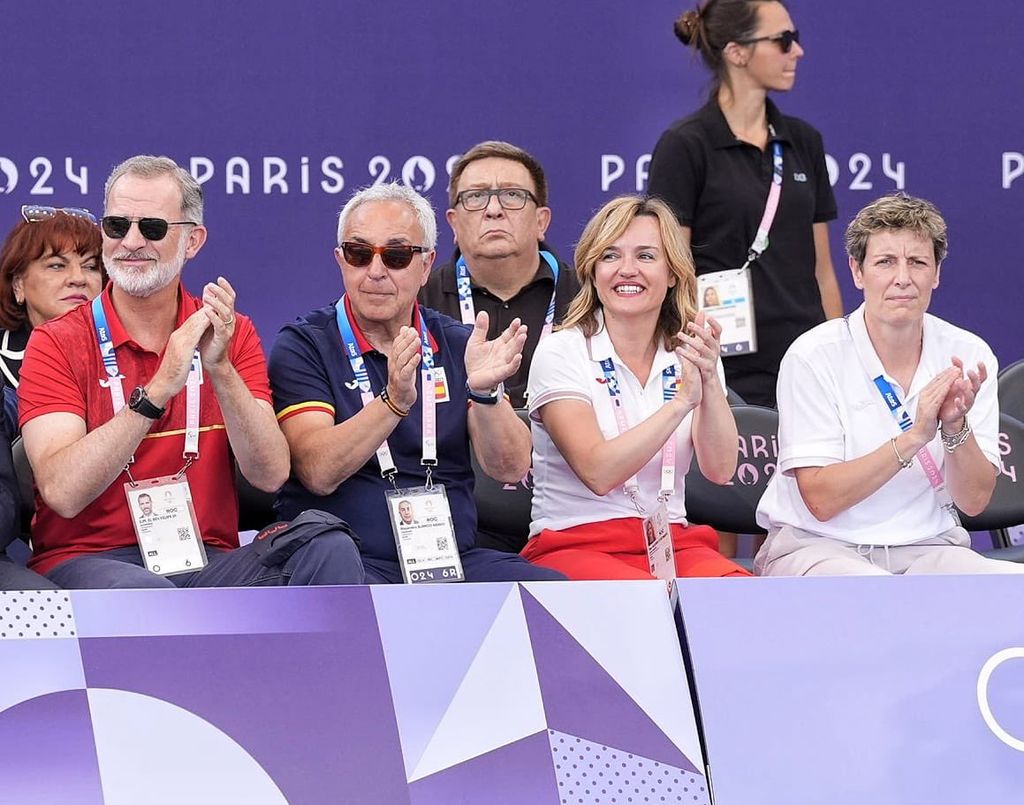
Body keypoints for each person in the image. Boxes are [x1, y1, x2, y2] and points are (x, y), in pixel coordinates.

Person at [18, 155, 364, 588]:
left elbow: (270, 473)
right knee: (148, 596)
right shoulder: (57, 340)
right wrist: (159, 388)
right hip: (92, 559)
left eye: (153, 228)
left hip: (205, 558)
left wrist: (220, 369)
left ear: (193, 241)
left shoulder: (229, 331)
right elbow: (62, 494)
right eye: (116, 226)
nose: (130, 241)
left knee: (324, 546)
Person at [269, 182, 563, 584]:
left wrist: (485, 393)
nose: (375, 271)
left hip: (446, 559)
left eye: (396, 255)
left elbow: (511, 468)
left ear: (426, 265)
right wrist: (392, 403)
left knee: (548, 592)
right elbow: (318, 472)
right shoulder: (306, 344)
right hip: (346, 565)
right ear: (341, 260)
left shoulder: (458, 343)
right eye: (359, 254)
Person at [755, 193, 1024, 576]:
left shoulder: (967, 353)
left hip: (928, 548)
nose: (903, 278)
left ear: (937, 273)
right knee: (876, 598)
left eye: (917, 262)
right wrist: (914, 436)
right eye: (885, 262)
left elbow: (975, 501)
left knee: (1012, 589)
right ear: (857, 271)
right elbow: (821, 501)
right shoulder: (813, 355)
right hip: (819, 546)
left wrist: (954, 428)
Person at [521, 195, 750, 580]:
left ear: (673, 272)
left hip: (671, 540)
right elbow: (598, 471)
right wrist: (679, 405)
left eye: (645, 256)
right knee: (643, 609)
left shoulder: (694, 349)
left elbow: (720, 469)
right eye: (610, 256)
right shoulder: (562, 350)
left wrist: (709, 380)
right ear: (592, 271)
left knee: (737, 601)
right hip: (574, 542)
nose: (627, 270)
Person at [648, 0, 842, 409]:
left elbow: (823, 271)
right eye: (783, 41)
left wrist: (839, 355)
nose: (798, 51)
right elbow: (670, 270)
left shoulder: (803, 141)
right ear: (737, 52)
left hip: (807, 364)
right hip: (725, 368)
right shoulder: (685, 145)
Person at [419, 141, 580, 411]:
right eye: (475, 197)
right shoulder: (419, 302)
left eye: (513, 195)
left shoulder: (586, 296)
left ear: (541, 221)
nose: (494, 209)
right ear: (453, 223)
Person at [0, 205, 105, 438]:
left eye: (90, 266)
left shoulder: (126, 351)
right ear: (18, 284)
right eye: (57, 265)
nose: (78, 278)